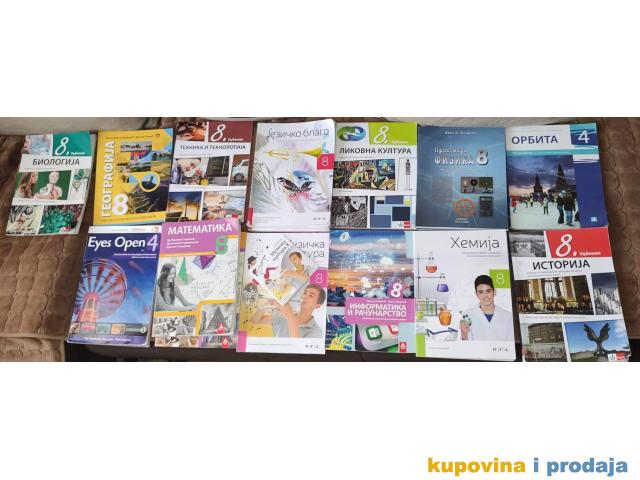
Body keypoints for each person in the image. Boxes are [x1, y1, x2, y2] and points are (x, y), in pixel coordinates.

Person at [250, 284, 325, 338]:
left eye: (311, 295)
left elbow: (299, 349)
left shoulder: (316, 331)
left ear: (317, 306)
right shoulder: (283, 314)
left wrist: (290, 316)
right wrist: (266, 303)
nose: (304, 296)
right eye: (305, 293)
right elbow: (255, 320)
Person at [462, 275, 514, 341]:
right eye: (481, 292)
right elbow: (466, 343)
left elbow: (511, 342)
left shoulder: (508, 316)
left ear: (494, 292)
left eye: (488, 291)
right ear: (476, 294)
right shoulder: (467, 315)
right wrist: (464, 334)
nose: (485, 295)